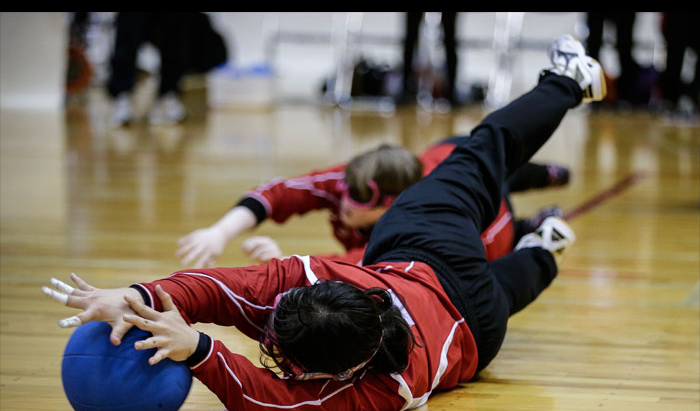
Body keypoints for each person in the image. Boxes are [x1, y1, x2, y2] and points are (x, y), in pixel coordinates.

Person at [43, 35, 606, 411]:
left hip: (477, 336)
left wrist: (192, 340)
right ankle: (567, 81)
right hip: (427, 262)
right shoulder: (338, 312)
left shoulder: (377, 385)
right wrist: (155, 311)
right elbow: (226, 315)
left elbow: (270, 402)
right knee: (481, 151)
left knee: (503, 293)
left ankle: (542, 249)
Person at [176, 142, 570, 268]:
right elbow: (278, 193)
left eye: (359, 198)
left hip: (483, 216)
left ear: (391, 202)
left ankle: (528, 219)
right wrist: (220, 231)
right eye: (346, 187)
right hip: (444, 153)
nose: (344, 200)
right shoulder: (353, 181)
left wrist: (284, 264)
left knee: (505, 181)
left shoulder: (414, 225)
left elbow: (351, 267)